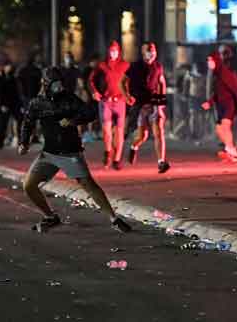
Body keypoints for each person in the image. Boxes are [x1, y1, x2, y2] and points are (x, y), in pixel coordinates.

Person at [18, 67, 132, 233]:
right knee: (28, 185)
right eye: (55, 84)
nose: (59, 87)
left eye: (60, 83)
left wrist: (72, 121)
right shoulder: (37, 103)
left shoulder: (69, 99)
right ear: (46, 84)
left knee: (88, 184)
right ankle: (50, 216)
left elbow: (90, 113)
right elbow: (27, 122)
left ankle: (114, 219)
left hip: (70, 152)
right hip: (49, 153)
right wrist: (23, 142)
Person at [124, 42, 171, 173]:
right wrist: (127, 96)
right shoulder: (136, 66)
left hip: (154, 102)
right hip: (140, 104)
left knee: (159, 132)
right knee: (142, 136)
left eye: (153, 50)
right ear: (142, 52)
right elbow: (123, 81)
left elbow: (162, 82)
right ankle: (134, 146)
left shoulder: (158, 66)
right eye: (148, 50)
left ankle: (161, 161)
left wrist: (161, 103)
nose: (151, 52)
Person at [89, 41, 132, 169]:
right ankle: (108, 152)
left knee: (119, 131)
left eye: (116, 51)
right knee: (107, 130)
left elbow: (132, 81)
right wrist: (95, 92)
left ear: (119, 52)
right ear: (108, 52)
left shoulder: (125, 65)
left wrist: (130, 95)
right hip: (106, 101)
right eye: (111, 50)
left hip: (120, 102)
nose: (113, 53)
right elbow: (91, 80)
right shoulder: (102, 65)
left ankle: (117, 159)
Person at [202, 46, 237, 162]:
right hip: (219, 106)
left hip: (229, 104)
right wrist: (209, 102)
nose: (209, 63)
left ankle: (232, 152)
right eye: (208, 61)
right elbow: (216, 93)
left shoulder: (225, 73)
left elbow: (236, 89)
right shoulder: (215, 74)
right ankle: (230, 150)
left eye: (211, 60)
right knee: (219, 129)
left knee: (225, 126)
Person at [0, 62, 22, 149]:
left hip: (15, 103)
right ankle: (0, 142)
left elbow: (18, 92)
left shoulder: (14, 79)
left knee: (18, 121)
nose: (8, 69)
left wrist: (20, 104)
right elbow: (0, 93)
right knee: (3, 124)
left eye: (10, 67)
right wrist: (2, 104)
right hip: (5, 104)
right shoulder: (0, 79)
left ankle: (18, 139)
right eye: (7, 67)